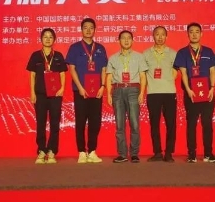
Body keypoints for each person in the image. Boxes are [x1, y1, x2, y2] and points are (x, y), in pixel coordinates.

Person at [65, 18, 108, 163]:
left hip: (97, 92)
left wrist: (103, 86)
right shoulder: (75, 48)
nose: (88, 30)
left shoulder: (100, 48)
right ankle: (82, 152)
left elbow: (104, 69)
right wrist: (80, 88)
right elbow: (72, 69)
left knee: (95, 122)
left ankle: (92, 151)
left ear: (95, 30)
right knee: (81, 122)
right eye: (85, 27)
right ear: (81, 29)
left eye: (91, 27)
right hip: (81, 91)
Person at [174, 22, 215, 163]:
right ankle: (192, 154)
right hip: (191, 94)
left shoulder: (208, 51)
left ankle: (208, 153)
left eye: (197, 31)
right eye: (191, 32)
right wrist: (188, 90)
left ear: (201, 34)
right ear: (187, 34)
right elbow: (183, 73)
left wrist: (212, 88)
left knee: (207, 124)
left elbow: (212, 71)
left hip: (207, 93)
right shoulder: (182, 52)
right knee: (191, 124)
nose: (194, 34)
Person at [105, 30, 148, 163]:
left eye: (129, 38)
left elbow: (143, 76)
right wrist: (109, 94)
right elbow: (109, 77)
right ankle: (122, 154)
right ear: (119, 41)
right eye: (123, 38)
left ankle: (134, 153)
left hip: (133, 90)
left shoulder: (139, 57)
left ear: (132, 40)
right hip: (117, 91)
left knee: (134, 123)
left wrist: (142, 92)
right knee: (119, 125)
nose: (126, 40)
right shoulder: (113, 58)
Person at [26, 27, 67, 164]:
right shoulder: (36, 56)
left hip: (55, 95)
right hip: (40, 95)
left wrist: (62, 88)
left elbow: (62, 73)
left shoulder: (58, 56)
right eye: (45, 37)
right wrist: (32, 92)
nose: (48, 39)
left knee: (55, 123)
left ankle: (51, 151)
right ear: (41, 39)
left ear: (54, 39)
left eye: (50, 37)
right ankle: (41, 150)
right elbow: (32, 75)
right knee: (41, 123)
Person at [143, 26, 177, 162]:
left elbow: (175, 72)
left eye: (163, 34)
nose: (160, 37)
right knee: (154, 124)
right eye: (157, 34)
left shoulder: (173, 53)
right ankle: (157, 152)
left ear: (166, 37)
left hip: (169, 92)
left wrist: (167, 81)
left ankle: (169, 153)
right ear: (153, 36)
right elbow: (143, 74)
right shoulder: (146, 54)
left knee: (171, 124)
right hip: (153, 93)